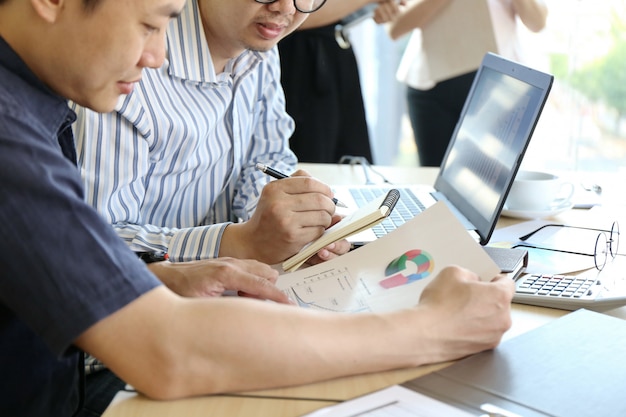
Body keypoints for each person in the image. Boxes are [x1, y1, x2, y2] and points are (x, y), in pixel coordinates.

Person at [0, 0, 515, 416]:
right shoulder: (15, 132)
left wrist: (156, 276)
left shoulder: (32, 100)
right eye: (149, 24)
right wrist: (436, 328)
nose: (156, 57)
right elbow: (166, 352)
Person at [73, 0, 352, 274]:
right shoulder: (129, 69)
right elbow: (94, 242)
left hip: (233, 285)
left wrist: (285, 225)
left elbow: (266, 159)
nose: (287, 9)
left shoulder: (260, 42)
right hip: (141, 301)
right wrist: (238, 242)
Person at [388, 0, 548, 166]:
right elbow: (394, 27)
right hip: (431, 83)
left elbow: (537, 22)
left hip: (497, 85)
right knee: (434, 175)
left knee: (488, 179)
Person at [278, 0, 402, 163]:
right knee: (311, 162)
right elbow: (290, 13)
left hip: (336, 50)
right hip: (301, 60)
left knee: (353, 163)